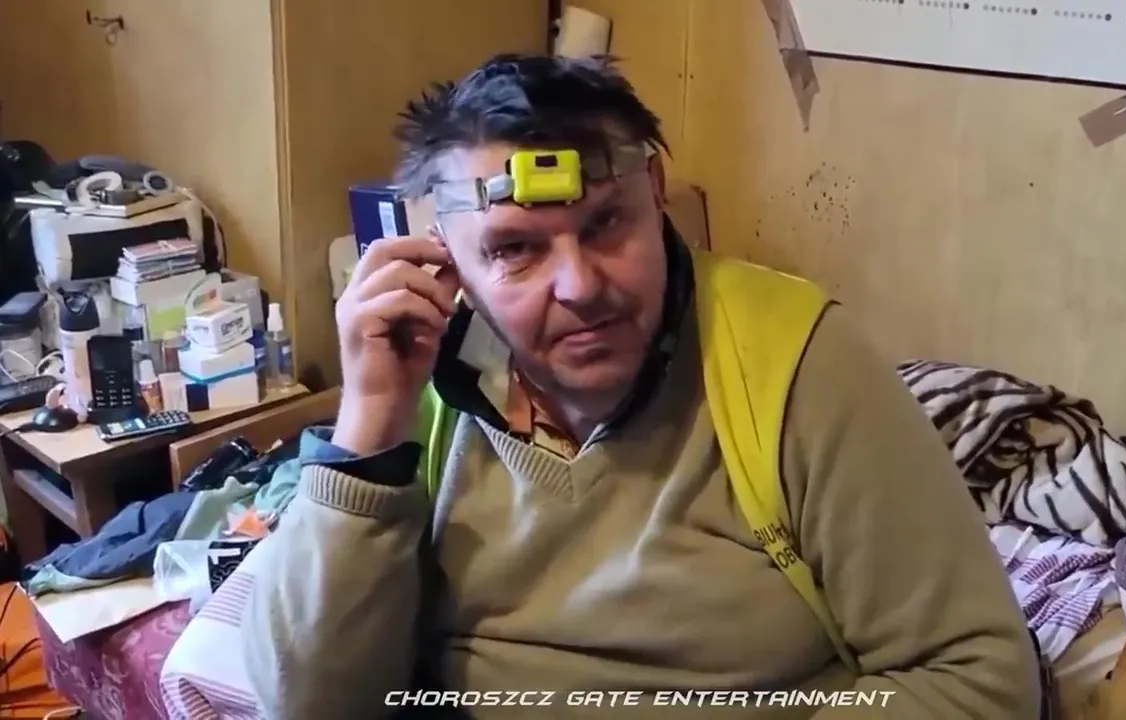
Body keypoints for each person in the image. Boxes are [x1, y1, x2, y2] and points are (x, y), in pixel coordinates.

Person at [237, 54, 1040, 718]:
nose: (580, 286)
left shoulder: (796, 362)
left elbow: (977, 680)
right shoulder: (421, 388)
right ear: (444, 250)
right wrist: (370, 425)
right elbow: (311, 705)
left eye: (605, 224)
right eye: (515, 249)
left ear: (655, 191)